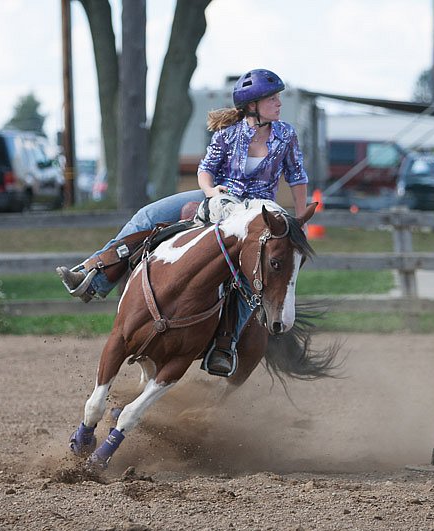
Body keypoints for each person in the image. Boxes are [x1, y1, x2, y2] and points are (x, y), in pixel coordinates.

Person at [57, 68, 309, 375]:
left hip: (257, 212)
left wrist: (298, 220)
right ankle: (92, 275)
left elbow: (297, 177)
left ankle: (225, 346)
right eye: (272, 98)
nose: (279, 103)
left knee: (245, 278)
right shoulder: (228, 134)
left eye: (279, 97)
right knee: (148, 216)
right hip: (221, 199)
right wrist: (209, 190)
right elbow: (206, 169)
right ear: (253, 105)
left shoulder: (286, 135)